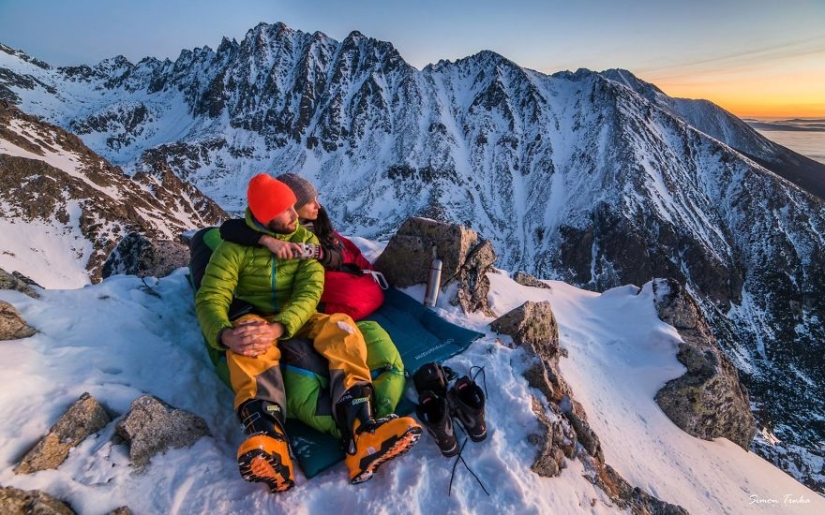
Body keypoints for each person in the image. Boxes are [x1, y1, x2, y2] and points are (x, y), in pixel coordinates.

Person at [195, 173, 421, 492]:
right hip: (255, 315)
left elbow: (310, 291)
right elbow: (210, 296)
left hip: (298, 316)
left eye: (293, 208)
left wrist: (280, 326)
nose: (293, 216)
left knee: (342, 328)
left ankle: (362, 429)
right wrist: (224, 334)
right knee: (247, 345)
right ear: (264, 218)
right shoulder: (233, 250)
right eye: (284, 211)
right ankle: (271, 444)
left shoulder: (306, 242)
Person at [220, 172, 386, 320]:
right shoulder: (277, 227)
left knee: (366, 292)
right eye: (310, 202)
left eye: (316, 198)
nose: (318, 206)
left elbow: (336, 252)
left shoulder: (318, 222)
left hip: (324, 263)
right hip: (302, 280)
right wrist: (266, 240)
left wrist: (318, 252)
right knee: (364, 297)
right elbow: (229, 228)